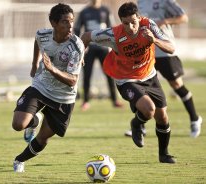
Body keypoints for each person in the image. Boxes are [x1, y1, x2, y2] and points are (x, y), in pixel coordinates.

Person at [81, 2, 176, 163]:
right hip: (126, 80)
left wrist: (154, 40)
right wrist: (81, 56)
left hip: (149, 76)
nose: (131, 26)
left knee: (163, 118)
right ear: (120, 22)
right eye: (126, 23)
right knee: (149, 110)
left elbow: (171, 48)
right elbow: (86, 36)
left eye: (134, 22)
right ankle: (136, 124)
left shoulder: (149, 25)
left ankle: (163, 154)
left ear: (139, 18)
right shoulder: (113, 34)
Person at [12, 3, 84, 172]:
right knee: (18, 124)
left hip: (64, 97)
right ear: (53, 23)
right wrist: (34, 63)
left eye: (72, 21)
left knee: (43, 138)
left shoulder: (76, 46)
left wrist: (52, 68)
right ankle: (33, 121)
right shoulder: (43, 34)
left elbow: (73, 80)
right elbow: (37, 41)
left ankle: (19, 160)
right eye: (65, 22)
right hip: (41, 86)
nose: (70, 25)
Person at [125, 0, 202, 138]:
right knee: (141, 87)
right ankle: (140, 127)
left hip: (164, 51)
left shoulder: (165, 1)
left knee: (177, 85)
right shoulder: (138, 3)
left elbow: (183, 18)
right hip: (146, 52)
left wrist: (164, 21)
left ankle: (195, 119)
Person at [74, 0, 123, 111]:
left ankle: (115, 100)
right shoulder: (84, 12)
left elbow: (113, 28)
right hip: (89, 49)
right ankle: (85, 101)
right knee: (87, 75)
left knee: (109, 74)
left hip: (103, 48)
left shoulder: (105, 11)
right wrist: (80, 45)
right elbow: (76, 28)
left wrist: (112, 45)